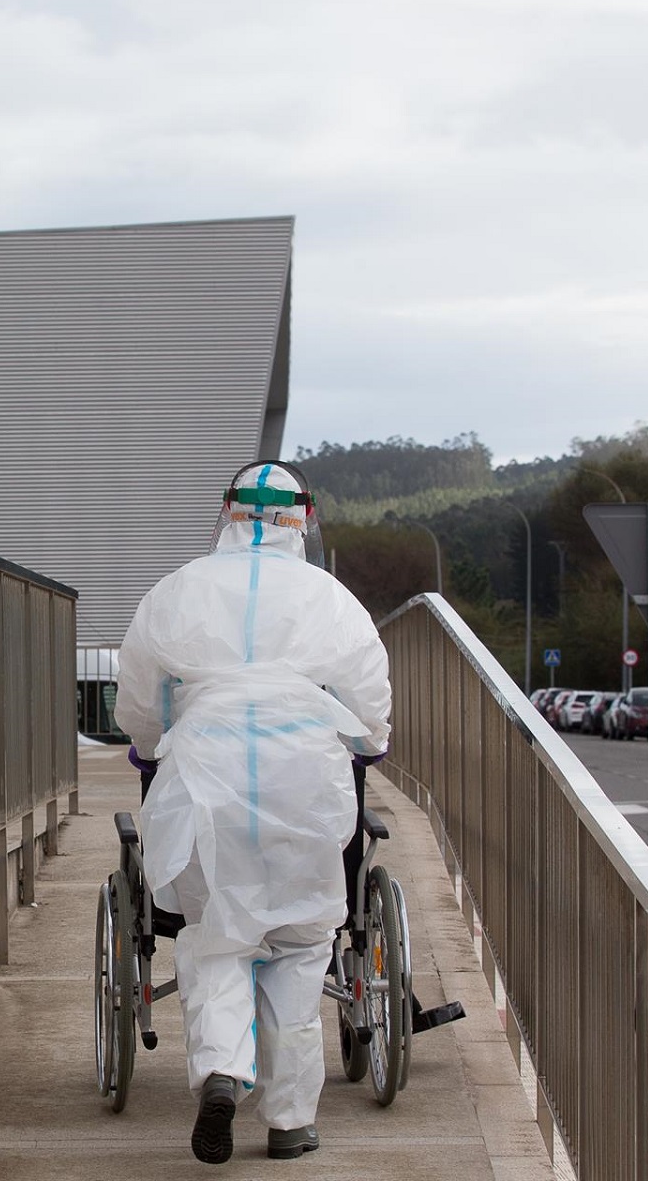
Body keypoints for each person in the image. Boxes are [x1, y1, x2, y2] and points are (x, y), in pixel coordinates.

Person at [116, 460, 391, 1164]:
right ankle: (290, 1121)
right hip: (306, 783)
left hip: (207, 777)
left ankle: (220, 1073)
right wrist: (368, 743)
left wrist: (151, 749)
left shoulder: (178, 592)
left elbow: (140, 698)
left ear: (227, 514)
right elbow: (370, 706)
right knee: (301, 947)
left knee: (217, 940)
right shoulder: (330, 600)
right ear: (307, 517)